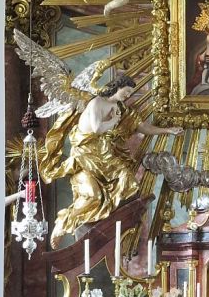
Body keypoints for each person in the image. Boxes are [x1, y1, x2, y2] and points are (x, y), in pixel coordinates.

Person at [38, 73, 183, 246]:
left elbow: (142, 127)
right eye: (126, 91)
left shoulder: (119, 107)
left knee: (127, 180)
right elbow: (97, 129)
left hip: (103, 154)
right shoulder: (97, 102)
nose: (127, 95)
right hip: (87, 155)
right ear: (117, 87)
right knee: (93, 196)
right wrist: (114, 119)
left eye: (130, 93)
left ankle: (114, 218)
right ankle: (64, 223)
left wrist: (168, 131)